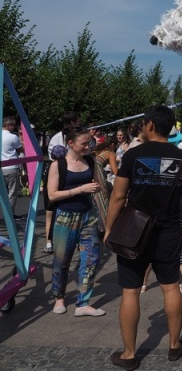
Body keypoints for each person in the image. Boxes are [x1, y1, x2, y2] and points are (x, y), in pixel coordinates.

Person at [105, 104, 182, 369]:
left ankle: (129, 354)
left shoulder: (134, 156)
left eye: (144, 123)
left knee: (131, 291)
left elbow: (118, 196)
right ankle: (174, 346)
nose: (143, 127)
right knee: (170, 286)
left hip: (134, 231)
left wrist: (110, 228)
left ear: (151, 125)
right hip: (169, 230)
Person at [47, 126, 104, 317]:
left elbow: (94, 184)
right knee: (61, 261)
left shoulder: (90, 160)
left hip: (88, 215)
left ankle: (83, 302)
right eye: (84, 143)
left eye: (89, 142)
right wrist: (80, 189)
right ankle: (59, 298)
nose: (88, 147)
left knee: (91, 259)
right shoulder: (58, 165)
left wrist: (96, 188)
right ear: (70, 143)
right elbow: (52, 195)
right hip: (65, 217)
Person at [45, 111, 81, 254]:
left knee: (68, 209)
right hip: (60, 173)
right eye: (78, 121)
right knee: (51, 209)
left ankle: (66, 240)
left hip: (67, 173)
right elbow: (55, 156)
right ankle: (49, 241)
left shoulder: (62, 137)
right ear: (72, 122)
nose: (79, 123)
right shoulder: (59, 138)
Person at [2, 117, 25, 220]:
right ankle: (10, 215)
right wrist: (21, 137)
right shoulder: (12, 137)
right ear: (8, 125)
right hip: (11, 167)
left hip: (1, 166)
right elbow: (21, 149)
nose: (14, 127)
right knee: (12, 193)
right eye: (13, 125)